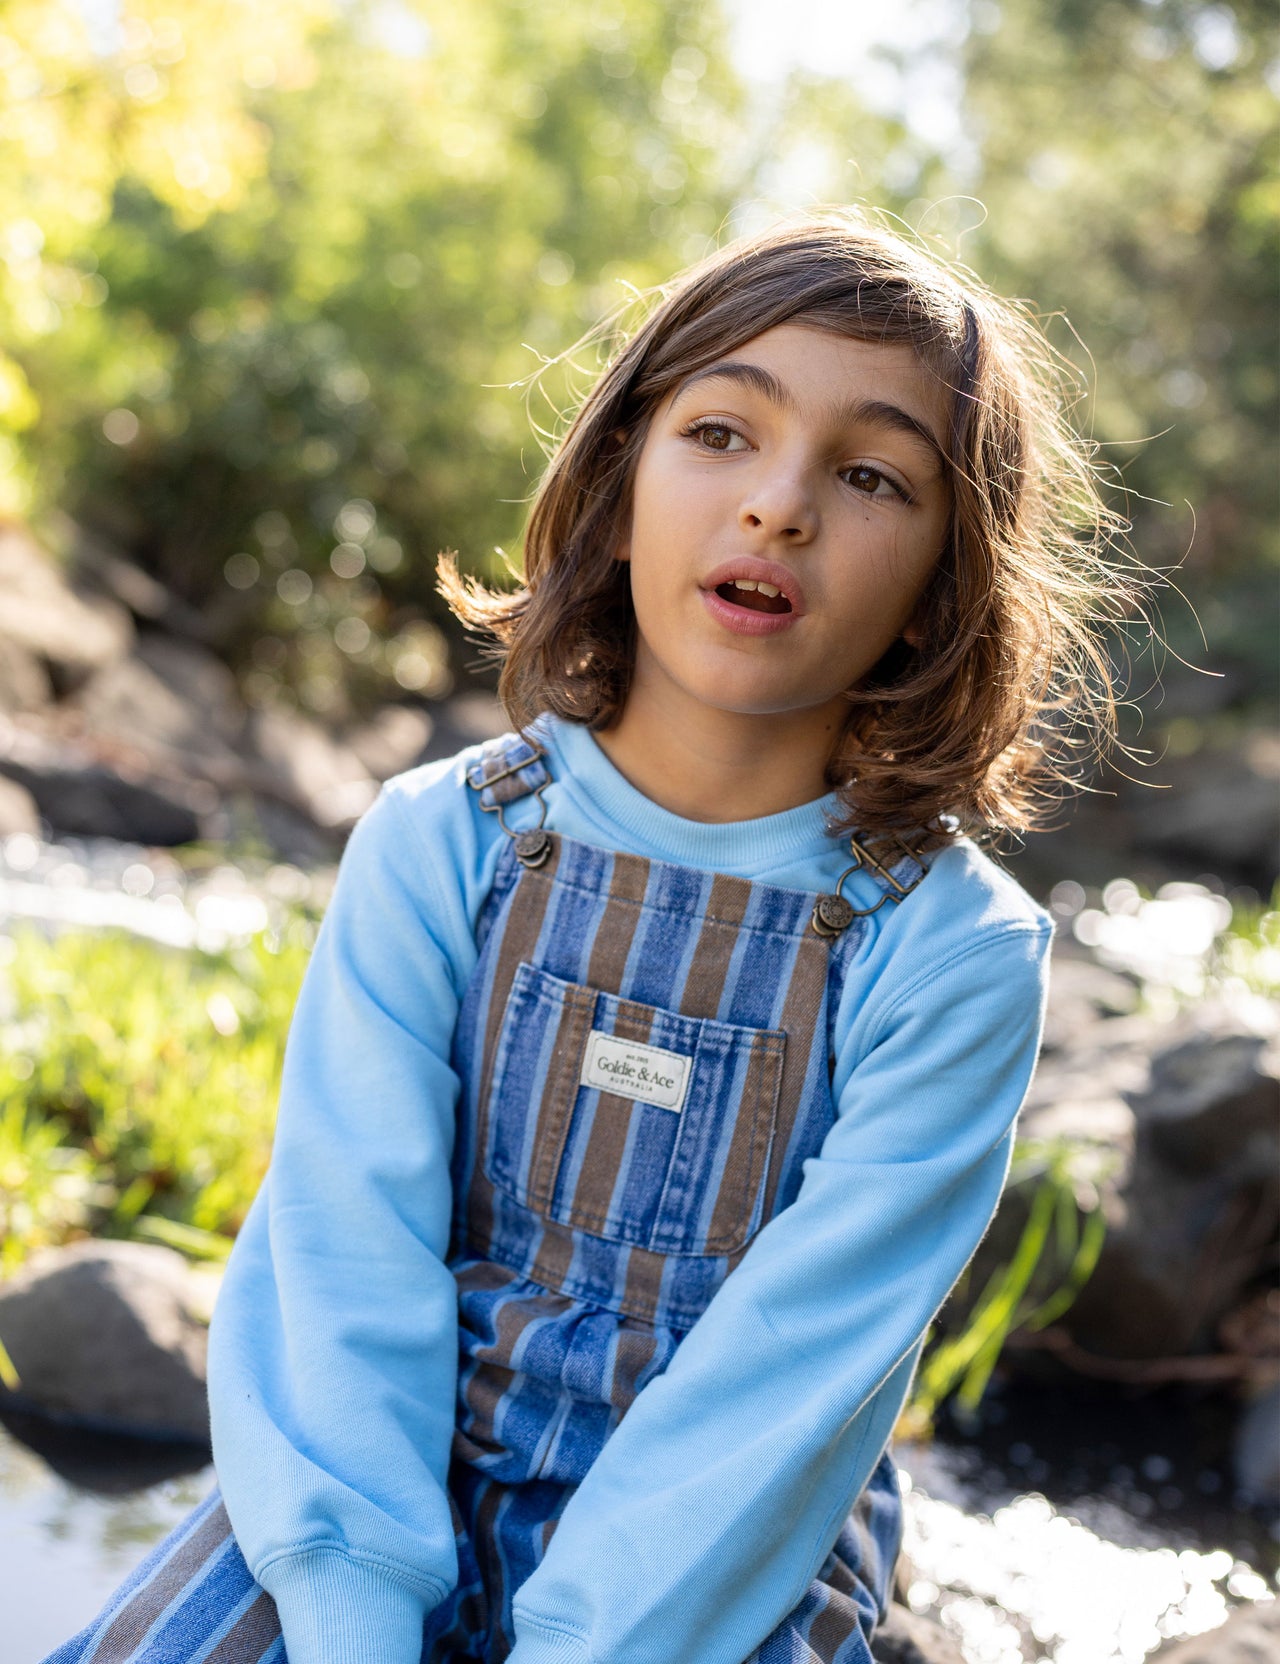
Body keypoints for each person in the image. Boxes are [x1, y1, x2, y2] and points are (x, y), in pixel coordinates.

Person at [48, 213, 1129, 1664]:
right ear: (621, 478)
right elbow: (339, 1251)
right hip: (379, 1493)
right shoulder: (442, 841)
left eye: (872, 475)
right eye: (723, 433)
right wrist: (353, 1612)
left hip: (724, 1565)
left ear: (947, 586)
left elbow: (793, 1385)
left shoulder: (949, 954)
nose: (780, 507)